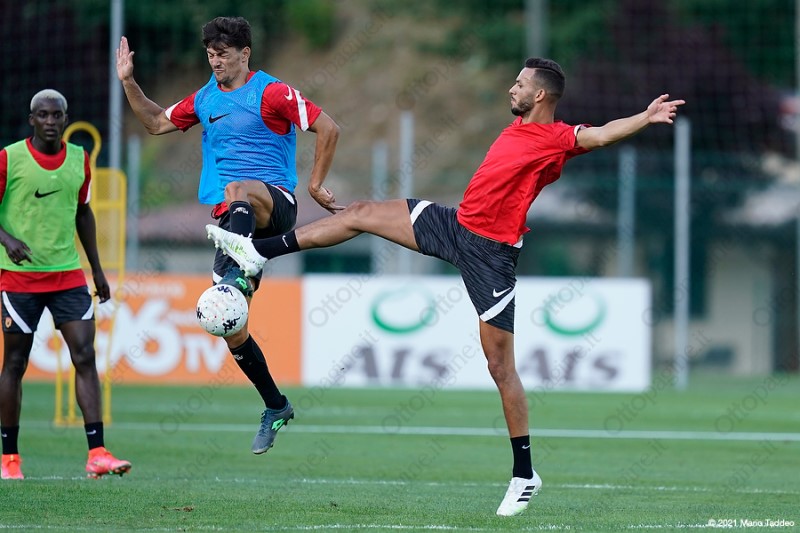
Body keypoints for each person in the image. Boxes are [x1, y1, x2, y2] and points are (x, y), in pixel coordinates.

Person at [207, 58, 685, 515]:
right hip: (454, 224)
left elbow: (599, 134)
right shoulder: (518, 127)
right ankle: (258, 252)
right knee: (361, 213)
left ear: (540, 95)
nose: (512, 88)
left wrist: (644, 118)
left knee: (500, 367)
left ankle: (524, 474)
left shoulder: (555, 137)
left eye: (520, 84)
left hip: (491, 257)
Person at [116, 16, 341, 455]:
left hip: (274, 203)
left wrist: (315, 185)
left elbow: (327, 127)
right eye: (210, 54)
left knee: (236, 187)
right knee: (230, 324)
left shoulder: (271, 92)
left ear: (245, 53)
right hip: (232, 222)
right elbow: (156, 123)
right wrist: (128, 82)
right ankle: (275, 405)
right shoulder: (204, 98)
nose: (215, 61)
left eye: (222, 54)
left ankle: (243, 267)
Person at [0, 89, 131, 480]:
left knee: (85, 356)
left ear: (66, 118)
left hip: (68, 276)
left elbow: (83, 213)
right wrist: (7, 240)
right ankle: (10, 459)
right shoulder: (9, 158)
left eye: (57, 115)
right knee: (15, 363)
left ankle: (98, 453)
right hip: (20, 278)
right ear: (32, 119)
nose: (51, 121)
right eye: (43, 115)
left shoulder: (79, 159)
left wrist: (98, 270)